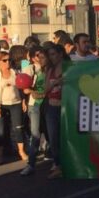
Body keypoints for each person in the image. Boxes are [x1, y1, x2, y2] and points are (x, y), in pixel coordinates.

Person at [0, 51, 27, 164]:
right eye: (4, 60)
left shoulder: (16, 72)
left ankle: (21, 151)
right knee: (0, 130)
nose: (7, 62)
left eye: (9, 60)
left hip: (16, 102)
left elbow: (21, 87)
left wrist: (23, 100)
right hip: (1, 104)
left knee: (18, 128)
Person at [19, 46, 48, 176]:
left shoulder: (50, 68)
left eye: (42, 55)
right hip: (35, 105)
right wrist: (32, 92)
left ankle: (53, 158)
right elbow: (24, 88)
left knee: (51, 133)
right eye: (37, 55)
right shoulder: (29, 69)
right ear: (31, 58)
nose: (40, 58)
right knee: (35, 134)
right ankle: (31, 164)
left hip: (48, 104)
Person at [45, 44, 68, 179]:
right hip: (52, 106)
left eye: (54, 54)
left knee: (65, 136)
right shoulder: (50, 69)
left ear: (60, 54)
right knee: (53, 137)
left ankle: (64, 163)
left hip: (65, 106)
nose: (52, 57)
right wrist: (55, 83)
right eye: (50, 55)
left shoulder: (68, 67)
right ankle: (57, 163)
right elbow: (46, 88)